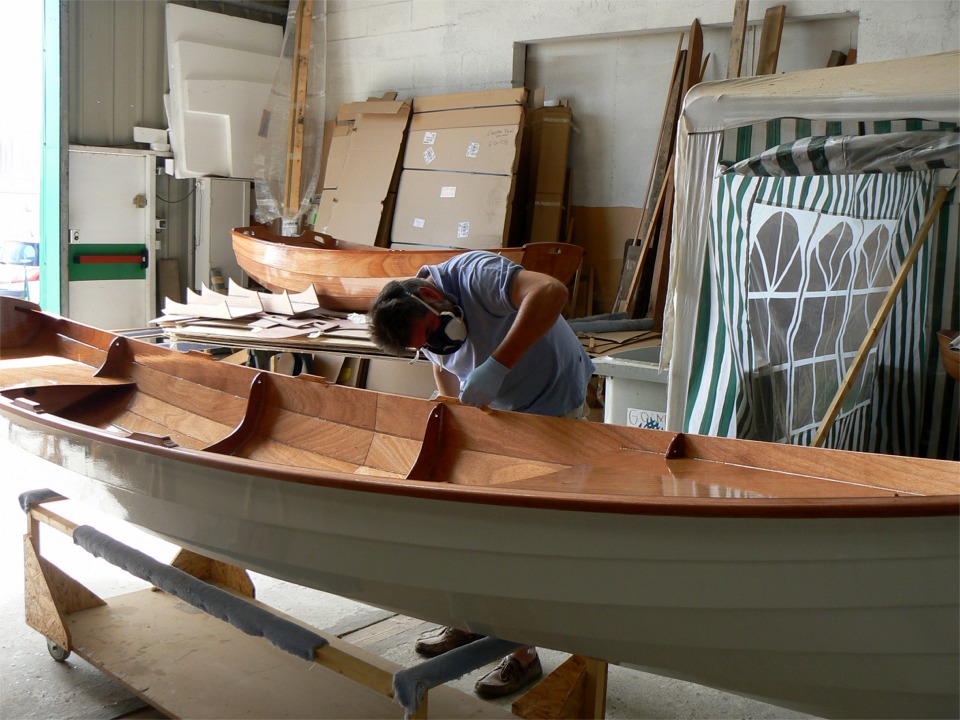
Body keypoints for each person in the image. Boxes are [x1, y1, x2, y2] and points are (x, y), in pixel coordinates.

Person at [367, 250, 594, 698]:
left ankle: (522, 654)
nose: (437, 343)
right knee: (466, 525)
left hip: (554, 407)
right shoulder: (428, 323)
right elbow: (443, 365)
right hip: (498, 416)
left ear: (431, 294)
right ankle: (471, 624)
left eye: (431, 332)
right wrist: (452, 407)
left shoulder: (476, 275)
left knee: (520, 539)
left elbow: (551, 292)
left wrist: (497, 365)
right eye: (424, 343)